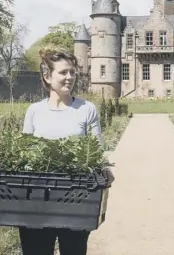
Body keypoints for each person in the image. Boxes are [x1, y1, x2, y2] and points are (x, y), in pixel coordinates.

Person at [19, 48, 114, 255]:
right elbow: (24, 154)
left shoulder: (87, 109)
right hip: (38, 199)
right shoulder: (34, 111)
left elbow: (95, 150)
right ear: (47, 76)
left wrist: (105, 169)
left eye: (72, 72)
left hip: (75, 198)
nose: (69, 77)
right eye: (63, 72)